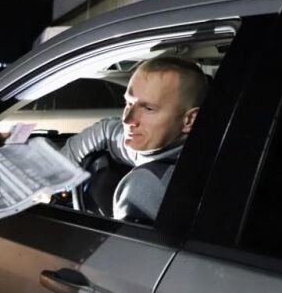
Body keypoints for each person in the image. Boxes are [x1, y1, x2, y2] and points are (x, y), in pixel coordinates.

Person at [61, 57, 208, 222]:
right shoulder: (158, 144)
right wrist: (55, 175)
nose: (127, 120)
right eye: (129, 103)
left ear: (189, 120)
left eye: (148, 108)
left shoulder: (146, 185)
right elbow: (106, 131)